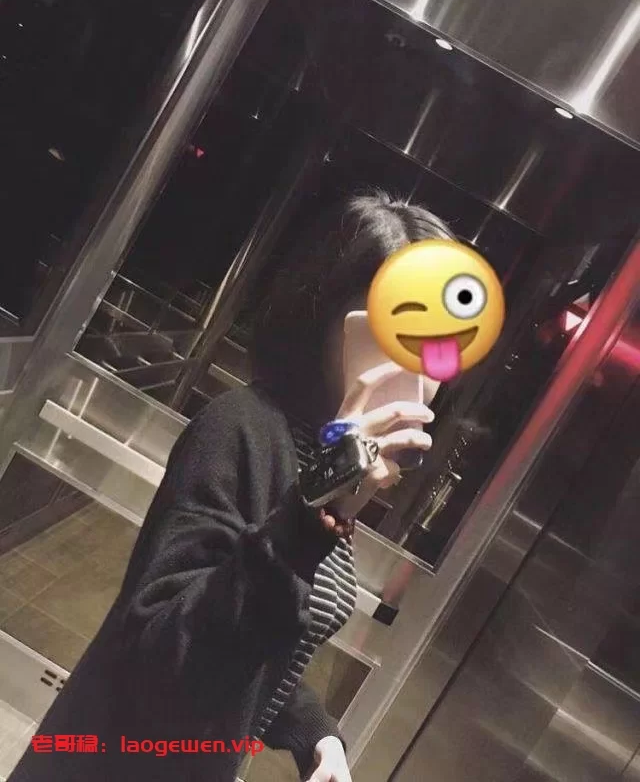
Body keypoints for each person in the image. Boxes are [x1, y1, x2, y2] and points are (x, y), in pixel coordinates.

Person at [8, 191, 455, 782]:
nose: (415, 361)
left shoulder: (322, 457)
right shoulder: (240, 429)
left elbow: (256, 637)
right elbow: (162, 658)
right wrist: (307, 519)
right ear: (329, 319)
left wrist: (316, 733)